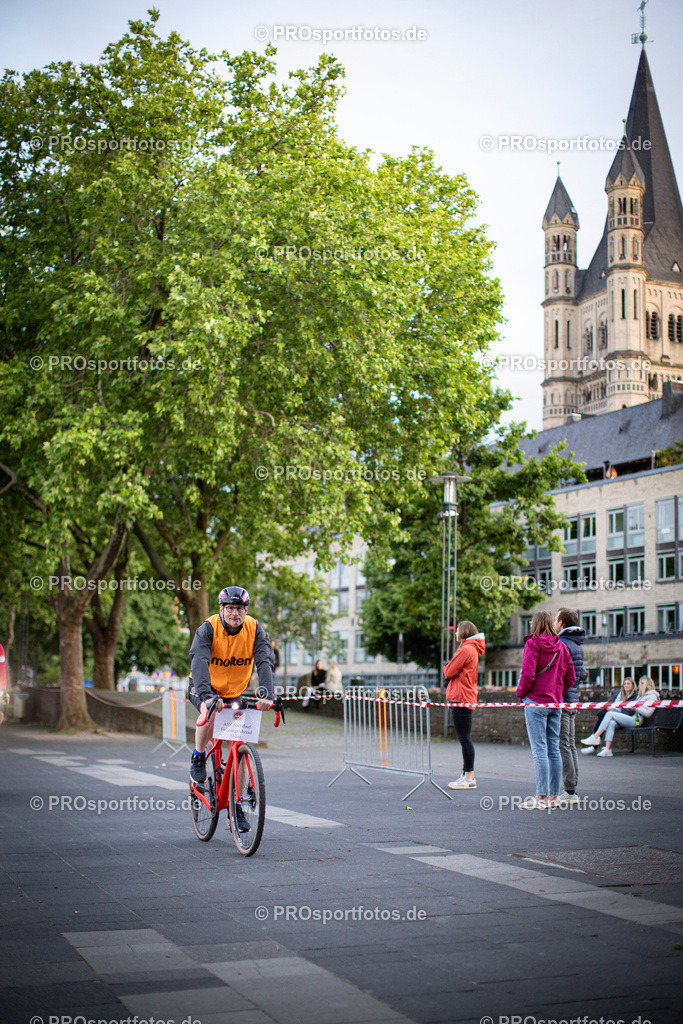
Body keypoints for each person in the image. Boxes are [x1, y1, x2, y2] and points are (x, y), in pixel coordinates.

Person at [187, 586, 274, 794]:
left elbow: (265, 662)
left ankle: (238, 805)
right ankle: (199, 756)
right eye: (230, 608)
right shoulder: (208, 628)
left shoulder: (254, 629)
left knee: (240, 749)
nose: (235, 613)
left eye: (240, 608)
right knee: (209, 713)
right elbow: (199, 661)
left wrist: (268, 695)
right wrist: (207, 697)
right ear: (221, 608)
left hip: (234, 692)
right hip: (203, 688)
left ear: (246, 610)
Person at [516, 611, 575, 809]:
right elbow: (570, 676)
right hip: (555, 703)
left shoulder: (532, 644)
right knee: (553, 750)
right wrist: (557, 692)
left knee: (539, 751)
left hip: (535, 702)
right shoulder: (562, 646)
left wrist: (521, 694)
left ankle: (540, 797)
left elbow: (527, 674)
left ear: (536, 624)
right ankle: (553, 796)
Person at [444, 621, 485, 790]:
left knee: (464, 738)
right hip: (465, 696)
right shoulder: (472, 648)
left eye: (457, 631)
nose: (455, 634)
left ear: (463, 633)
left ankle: (469, 776)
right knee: (465, 738)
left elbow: (448, 671)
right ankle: (467, 774)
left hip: (461, 697)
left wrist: (448, 667)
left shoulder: (466, 649)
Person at [580, 676, 659, 756]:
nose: (638, 686)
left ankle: (595, 737)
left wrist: (636, 707)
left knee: (609, 714)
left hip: (636, 721)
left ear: (645, 684)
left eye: (640, 684)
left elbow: (649, 713)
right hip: (633, 718)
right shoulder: (641, 695)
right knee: (611, 722)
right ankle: (607, 749)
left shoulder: (652, 696)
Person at [554, 608, 585, 806]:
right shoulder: (577, 644)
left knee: (563, 744)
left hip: (564, 698)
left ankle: (570, 790)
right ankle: (572, 785)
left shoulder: (563, 644)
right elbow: (582, 673)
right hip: (573, 698)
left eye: (556, 619)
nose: (555, 623)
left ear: (562, 623)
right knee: (570, 743)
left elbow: (562, 674)